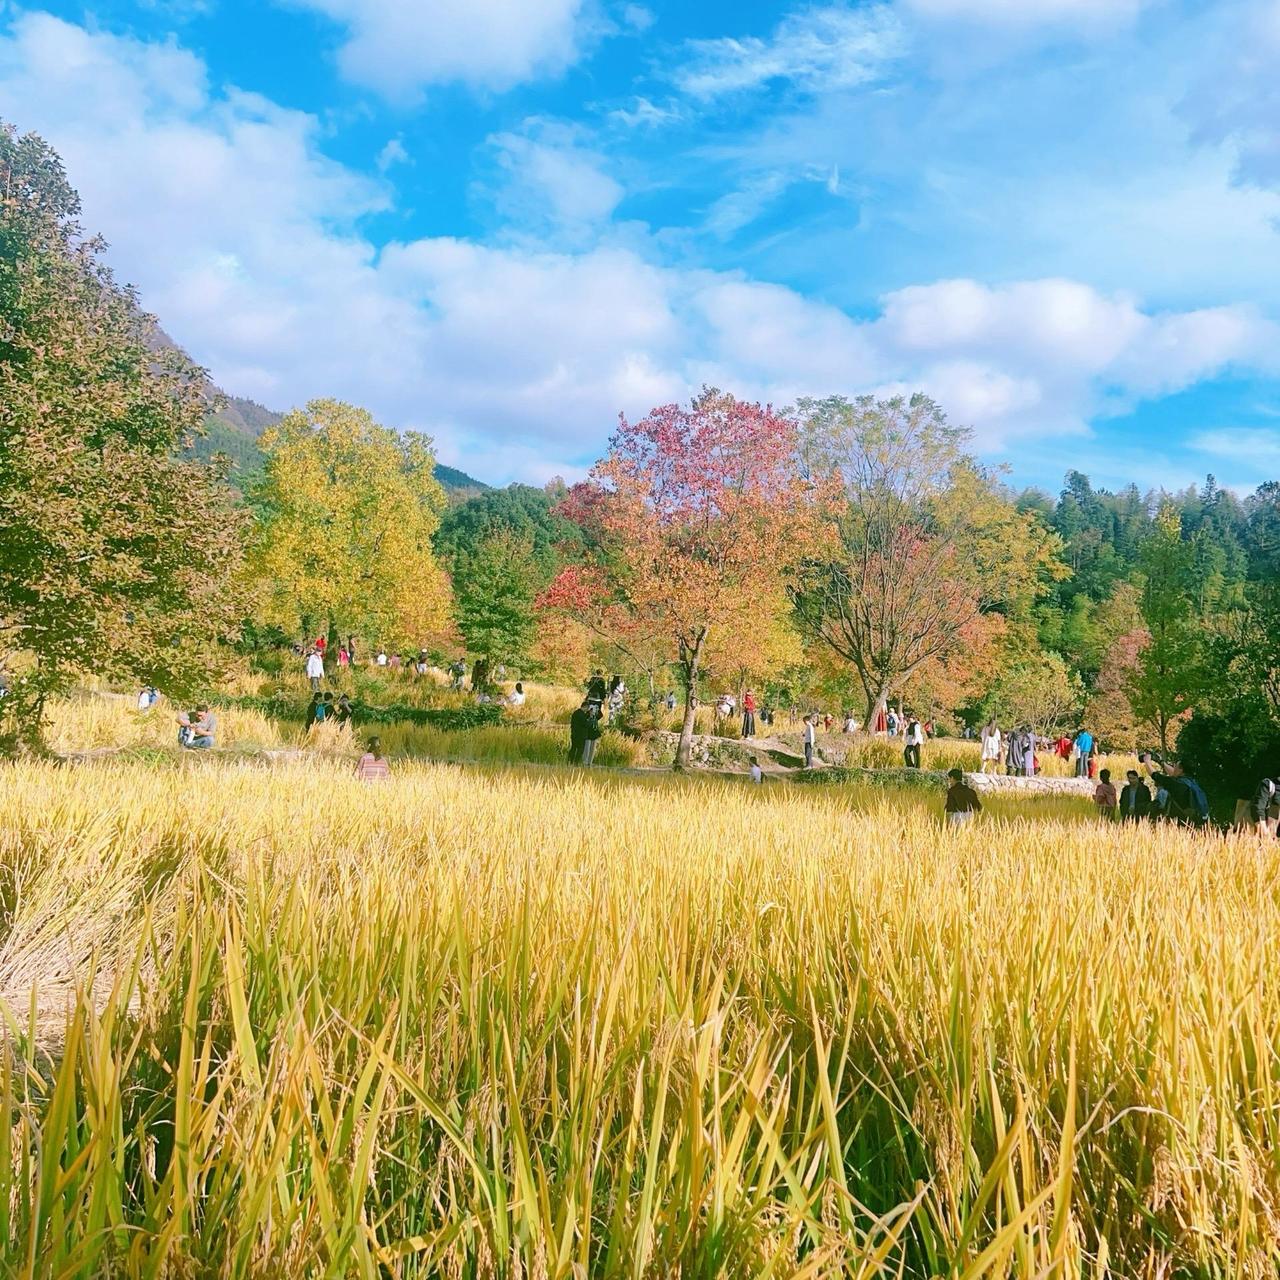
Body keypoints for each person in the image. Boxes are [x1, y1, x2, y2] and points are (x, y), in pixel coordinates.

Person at [1141, 753, 1210, 826]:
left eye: (1175, 766)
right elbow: (1174, 773)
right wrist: (1161, 762)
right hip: (1197, 819)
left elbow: (1155, 776)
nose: (1173, 767)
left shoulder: (1176, 784)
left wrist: (1147, 761)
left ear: (1181, 769)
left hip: (1183, 824)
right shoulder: (1192, 781)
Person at [568, 700, 602, 766]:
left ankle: (570, 761)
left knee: (573, 748)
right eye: (587, 708)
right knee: (580, 750)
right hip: (580, 735)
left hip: (574, 734)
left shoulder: (576, 713)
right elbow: (585, 724)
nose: (587, 710)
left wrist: (597, 710)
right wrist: (591, 720)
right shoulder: (582, 714)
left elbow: (600, 715)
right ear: (585, 707)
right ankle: (575, 762)